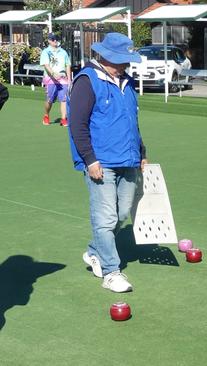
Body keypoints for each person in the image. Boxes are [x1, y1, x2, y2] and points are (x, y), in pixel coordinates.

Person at [67, 33, 146, 293]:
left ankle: (94, 251)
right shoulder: (87, 81)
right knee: (105, 218)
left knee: (122, 213)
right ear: (105, 56)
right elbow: (77, 125)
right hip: (101, 162)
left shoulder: (127, 81)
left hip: (128, 158)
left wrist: (142, 151)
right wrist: (89, 159)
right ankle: (111, 272)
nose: (126, 65)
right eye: (121, 60)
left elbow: (131, 121)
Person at [40, 33, 71, 126]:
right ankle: (46, 115)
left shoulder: (63, 52)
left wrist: (69, 79)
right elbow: (46, 65)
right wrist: (53, 74)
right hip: (50, 79)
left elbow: (67, 65)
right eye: (53, 39)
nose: (55, 41)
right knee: (49, 100)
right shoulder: (46, 52)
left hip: (63, 78)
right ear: (49, 41)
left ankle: (63, 119)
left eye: (56, 39)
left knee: (64, 99)